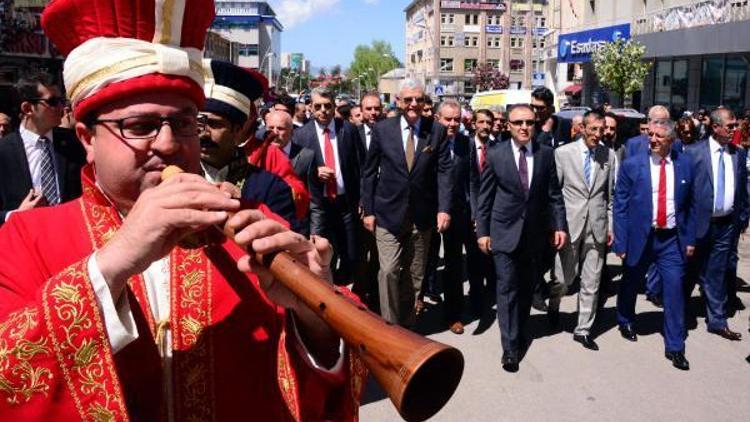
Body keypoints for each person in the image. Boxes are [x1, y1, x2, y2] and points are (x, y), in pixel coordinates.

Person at [0, 0, 364, 419]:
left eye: (185, 122)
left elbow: (331, 377)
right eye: (140, 127)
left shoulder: (258, 223)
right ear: (86, 138)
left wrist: (316, 317)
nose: (170, 144)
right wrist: (110, 265)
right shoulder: (25, 239)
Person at [476, 103, 567, 372]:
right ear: (509, 126)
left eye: (529, 122)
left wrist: (559, 226)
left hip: (534, 237)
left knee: (526, 290)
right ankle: (510, 348)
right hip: (503, 233)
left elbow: (554, 195)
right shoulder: (496, 154)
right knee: (507, 289)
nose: (524, 127)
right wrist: (482, 232)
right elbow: (485, 198)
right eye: (518, 123)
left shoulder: (546, 154)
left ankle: (520, 328)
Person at [361, 78, 453, 328]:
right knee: (389, 271)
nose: (414, 104)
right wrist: (368, 210)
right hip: (388, 214)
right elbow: (369, 172)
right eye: (408, 99)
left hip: (422, 216)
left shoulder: (437, 131)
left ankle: (407, 324)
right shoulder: (383, 129)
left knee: (414, 276)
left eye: (419, 99)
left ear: (425, 102)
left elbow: (445, 172)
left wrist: (444, 208)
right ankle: (389, 327)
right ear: (399, 102)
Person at [613, 120, 696, 370]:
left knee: (674, 289)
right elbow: (620, 205)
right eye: (651, 135)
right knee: (631, 280)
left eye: (659, 136)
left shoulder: (685, 165)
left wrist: (690, 239)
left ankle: (675, 346)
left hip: (671, 239)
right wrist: (621, 240)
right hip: (641, 236)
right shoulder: (632, 165)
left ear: (671, 140)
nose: (653, 140)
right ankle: (625, 318)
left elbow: (692, 205)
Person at [199, 60, 299, 231]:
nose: (203, 133)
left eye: (215, 124)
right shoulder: (176, 179)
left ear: (238, 130)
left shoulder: (270, 188)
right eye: (198, 123)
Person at [549, 111, 617, 351]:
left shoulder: (609, 155)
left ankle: (583, 329)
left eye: (602, 130)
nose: (598, 135)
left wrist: (610, 225)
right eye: (594, 129)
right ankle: (554, 303)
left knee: (592, 280)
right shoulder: (563, 154)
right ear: (582, 128)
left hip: (596, 227)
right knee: (564, 279)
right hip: (570, 226)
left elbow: (610, 196)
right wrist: (556, 226)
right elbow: (554, 194)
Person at [684, 108, 747, 340]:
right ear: (716, 127)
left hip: (726, 224)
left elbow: (742, 189)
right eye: (730, 126)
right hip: (698, 224)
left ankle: (717, 320)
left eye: (735, 125)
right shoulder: (693, 153)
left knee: (717, 273)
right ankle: (679, 314)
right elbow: (683, 191)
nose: (734, 130)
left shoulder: (737, 154)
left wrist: (741, 218)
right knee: (689, 271)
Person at [293, 87, 364, 284]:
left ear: (334, 107)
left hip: (346, 204)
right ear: (310, 108)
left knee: (350, 255)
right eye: (318, 106)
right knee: (322, 257)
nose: (323, 110)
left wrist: (362, 199)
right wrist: (314, 173)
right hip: (318, 206)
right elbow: (294, 172)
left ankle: (344, 291)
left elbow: (361, 166)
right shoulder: (301, 135)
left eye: (327, 106)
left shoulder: (348, 130)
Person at [0, 72, 86, 226]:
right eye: (53, 102)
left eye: (61, 100)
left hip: (70, 232)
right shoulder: (4, 151)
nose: (61, 107)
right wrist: (15, 216)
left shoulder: (75, 142)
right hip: (24, 239)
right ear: (27, 108)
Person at [434, 100, 473, 334]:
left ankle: (453, 314)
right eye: (447, 119)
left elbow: (472, 180)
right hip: (428, 211)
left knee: (453, 265)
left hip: (457, 213)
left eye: (456, 119)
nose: (452, 124)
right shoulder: (427, 140)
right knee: (421, 264)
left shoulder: (465, 144)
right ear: (438, 118)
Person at [467, 109, 498, 321]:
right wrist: (474, 212)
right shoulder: (466, 146)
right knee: (475, 260)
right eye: (481, 122)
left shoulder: (500, 148)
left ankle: (493, 297)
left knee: (493, 260)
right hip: (471, 212)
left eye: (489, 122)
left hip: (495, 214)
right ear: (473, 124)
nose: (485, 126)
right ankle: (476, 301)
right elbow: (467, 182)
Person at [266, 110, 317, 236]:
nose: (275, 133)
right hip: (265, 226)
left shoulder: (306, 156)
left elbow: (315, 200)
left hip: (296, 229)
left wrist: (315, 233)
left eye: (280, 128)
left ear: (292, 131)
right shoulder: (258, 155)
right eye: (271, 128)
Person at [354, 92, 383, 307]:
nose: (373, 112)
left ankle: (375, 296)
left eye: (376, 108)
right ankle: (360, 294)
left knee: (379, 254)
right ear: (361, 110)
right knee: (360, 252)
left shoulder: (389, 132)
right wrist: (362, 201)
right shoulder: (352, 134)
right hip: (360, 204)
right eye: (368, 109)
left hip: (385, 201)